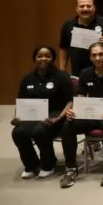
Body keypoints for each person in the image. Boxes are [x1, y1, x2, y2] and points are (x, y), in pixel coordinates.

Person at [59, 43, 103, 188]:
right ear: (90, 57)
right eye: (94, 55)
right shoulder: (85, 73)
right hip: (90, 114)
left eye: (101, 54)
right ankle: (71, 169)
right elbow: (80, 95)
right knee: (67, 126)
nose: (98, 58)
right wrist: (74, 110)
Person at [12, 46, 73, 179]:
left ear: (53, 58)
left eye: (47, 56)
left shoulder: (62, 77)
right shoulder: (27, 79)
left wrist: (59, 117)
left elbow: (70, 101)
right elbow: (21, 101)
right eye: (40, 56)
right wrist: (17, 116)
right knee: (18, 132)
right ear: (35, 58)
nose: (43, 59)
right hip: (34, 114)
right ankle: (31, 165)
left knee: (40, 131)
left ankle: (48, 164)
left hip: (56, 113)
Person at [58, 0, 103, 77]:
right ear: (76, 8)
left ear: (94, 8)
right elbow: (64, 49)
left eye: (88, 6)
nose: (85, 9)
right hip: (78, 73)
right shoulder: (68, 25)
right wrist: (62, 71)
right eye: (82, 6)